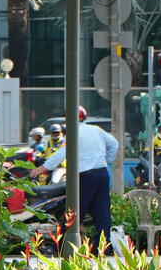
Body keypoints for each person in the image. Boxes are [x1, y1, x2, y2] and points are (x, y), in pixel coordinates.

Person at [32, 107, 119, 251]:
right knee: (102, 213)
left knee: (73, 213)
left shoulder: (73, 133)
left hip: (85, 176)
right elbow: (114, 144)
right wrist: (106, 160)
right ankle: (103, 247)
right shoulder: (97, 130)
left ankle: (58, 247)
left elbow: (62, 153)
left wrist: (43, 168)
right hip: (102, 174)